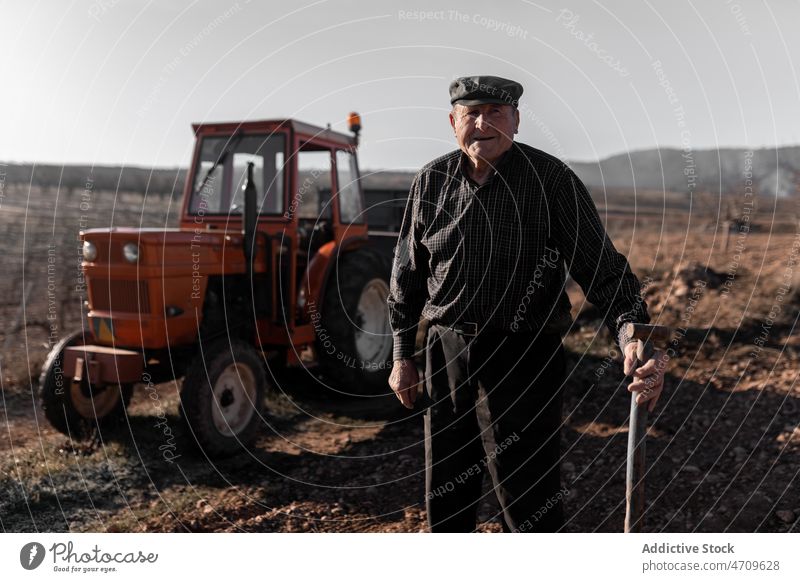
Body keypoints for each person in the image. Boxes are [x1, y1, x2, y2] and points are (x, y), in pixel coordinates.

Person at [387, 75, 667, 533]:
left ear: (516, 120)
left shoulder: (551, 180)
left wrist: (631, 333)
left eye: (496, 112)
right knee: (448, 485)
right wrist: (402, 354)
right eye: (471, 113)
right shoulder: (431, 181)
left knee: (527, 490)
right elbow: (407, 274)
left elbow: (601, 269)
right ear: (453, 122)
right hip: (447, 350)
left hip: (525, 352)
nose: (482, 123)